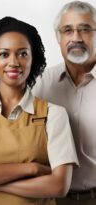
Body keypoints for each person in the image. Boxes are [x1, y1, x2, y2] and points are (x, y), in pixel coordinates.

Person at [0, 16, 79, 205]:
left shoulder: (54, 115)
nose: (13, 62)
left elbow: (59, 186)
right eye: (4, 54)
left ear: (33, 58)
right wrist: (33, 169)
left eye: (22, 54)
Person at [32, 1, 96, 204]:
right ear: (58, 38)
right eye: (67, 30)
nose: (76, 38)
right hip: (49, 199)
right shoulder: (41, 84)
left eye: (85, 29)